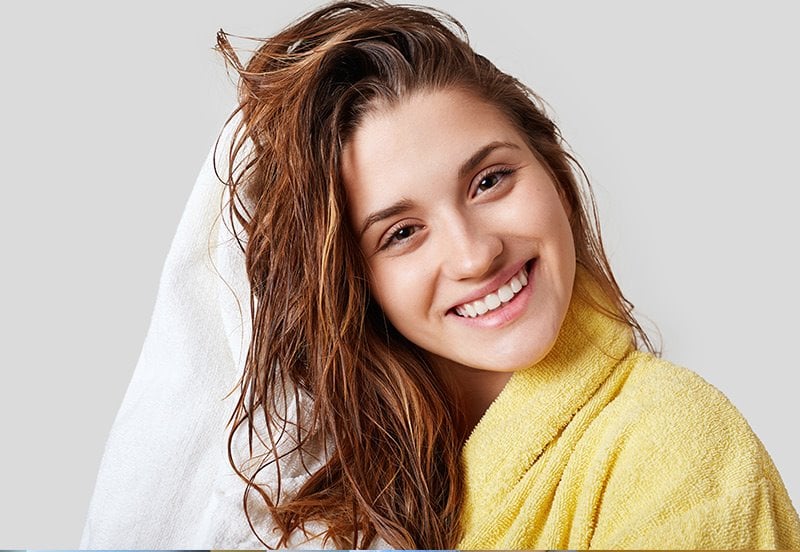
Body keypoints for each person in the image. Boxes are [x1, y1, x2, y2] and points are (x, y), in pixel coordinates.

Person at [81, 1, 800, 549]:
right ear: (354, 282)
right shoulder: (337, 488)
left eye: (489, 181)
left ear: (550, 168)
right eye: (401, 233)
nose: (472, 253)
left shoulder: (675, 449)